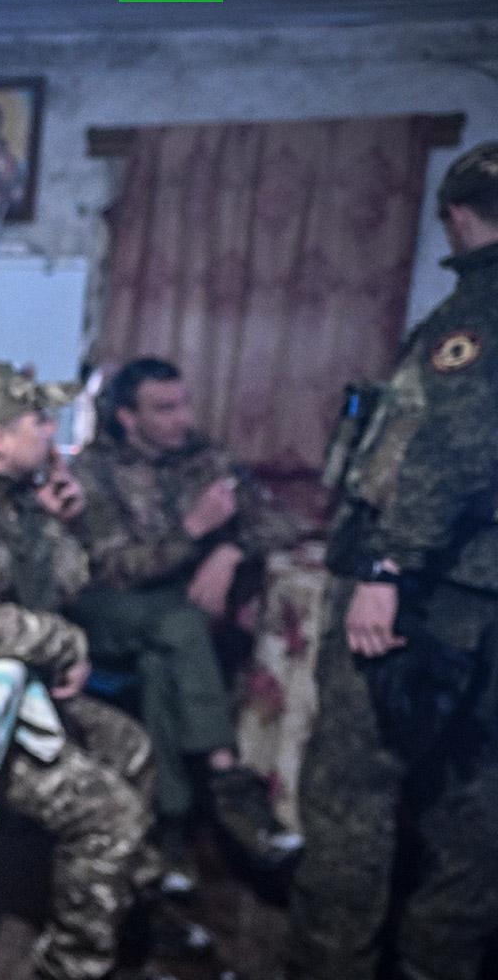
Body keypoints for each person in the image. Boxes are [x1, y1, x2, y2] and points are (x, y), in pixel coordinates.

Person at [287, 140, 498, 980]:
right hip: (480, 596)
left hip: (434, 594)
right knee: (473, 803)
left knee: (352, 793)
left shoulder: (475, 316)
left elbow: (454, 447)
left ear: (456, 215)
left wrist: (388, 570)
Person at [0, 362, 160, 980]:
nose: (51, 432)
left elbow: (71, 581)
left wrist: (56, 520)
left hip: (22, 697)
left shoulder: (5, 498)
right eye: (38, 421)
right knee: (113, 816)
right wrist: (63, 641)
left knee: (130, 746)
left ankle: (116, 903)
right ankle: (74, 965)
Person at [69, 357, 305, 873]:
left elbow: (284, 521)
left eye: (184, 404)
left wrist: (231, 551)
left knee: (162, 664)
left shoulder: (203, 458)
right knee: (180, 625)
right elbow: (115, 569)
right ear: (128, 417)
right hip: (110, 609)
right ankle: (227, 778)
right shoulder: (92, 470)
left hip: (177, 622)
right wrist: (195, 530)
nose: (183, 418)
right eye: (164, 408)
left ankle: (169, 832)